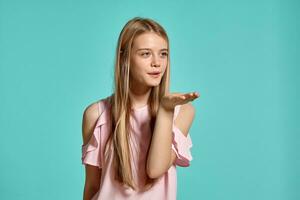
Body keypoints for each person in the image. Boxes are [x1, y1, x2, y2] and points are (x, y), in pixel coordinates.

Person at [81, 17, 200, 200]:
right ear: (124, 58)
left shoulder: (182, 112)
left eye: (163, 54)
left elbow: (155, 169)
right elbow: (92, 187)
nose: (157, 63)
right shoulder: (96, 115)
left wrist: (165, 110)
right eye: (145, 54)